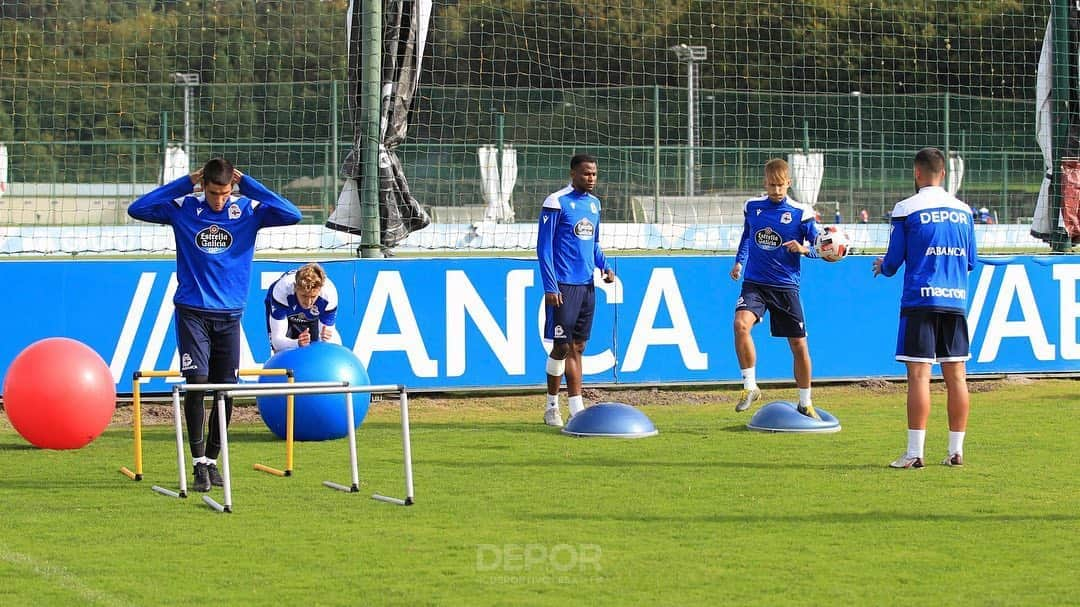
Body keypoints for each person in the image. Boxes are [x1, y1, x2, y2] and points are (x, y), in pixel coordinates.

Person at [128, 158, 302, 491]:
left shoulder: (247, 211)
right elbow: (138, 209)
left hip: (230, 315)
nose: (218, 199)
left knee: (226, 389)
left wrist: (249, 184)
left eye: (224, 193)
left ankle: (211, 460)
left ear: (232, 187)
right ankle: (196, 464)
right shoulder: (184, 209)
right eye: (212, 192)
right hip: (193, 311)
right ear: (202, 185)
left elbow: (292, 214)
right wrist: (183, 183)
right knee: (197, 383)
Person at [873, 147, 976, 469]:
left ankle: (915, 452)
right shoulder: (964, 211)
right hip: (955, 301)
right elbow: (970, 261)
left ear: (917, 174)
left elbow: (893, 261)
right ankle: (956, 451)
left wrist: (882, 267)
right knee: (957, 376)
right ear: (943, 174)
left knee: (919, 375)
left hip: (920, 299)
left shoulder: (906, 208)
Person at [730, 158, 823, 420]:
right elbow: (747, 236)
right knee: (740, 325)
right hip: (755, 283)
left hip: (785, 287)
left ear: (789, 183)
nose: (776, 190)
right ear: (765, 182)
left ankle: (805, 401)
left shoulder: (801, 213)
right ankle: (750, 386)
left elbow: (821, 246)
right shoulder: (753, 207)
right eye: (772, 185)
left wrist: (804, 249)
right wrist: (739, 261)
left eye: (781, 185)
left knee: (798, 345)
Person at [537, 153, 615, 427]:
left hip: (586, 285)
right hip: (563, 286)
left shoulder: (594, 205)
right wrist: (550, 285)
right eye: (585, 174)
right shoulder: (556, 202)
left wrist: (604, 267)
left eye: (594, 174)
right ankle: (552, 407)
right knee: (562, 347)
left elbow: (593, 243)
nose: (591, 178)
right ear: (573, 174)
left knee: (578, 346)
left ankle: (576, 409)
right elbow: (543, 248)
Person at [265, 262, 341, 353]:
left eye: (313, 297)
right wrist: (297, 343)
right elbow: (277, 342)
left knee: (322, 347)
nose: (308, 303)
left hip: (313, 315)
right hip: (285, 307)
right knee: (280, 353)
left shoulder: (329, 295)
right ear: (295, 288)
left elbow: (331, 342)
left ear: (320, 290)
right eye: (304, 296)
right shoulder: (282, 291)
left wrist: (326, 338)